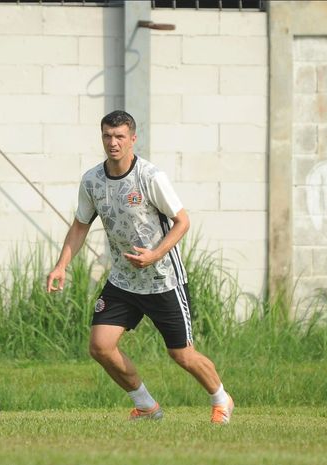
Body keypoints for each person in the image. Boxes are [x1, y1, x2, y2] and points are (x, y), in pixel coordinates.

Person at [46, 110, 234, 423]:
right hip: (123, 281)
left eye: (119, 136)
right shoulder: (92, 181)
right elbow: (80, 226)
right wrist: (61, 265)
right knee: (100, 346)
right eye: (107, 135)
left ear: (133, 138)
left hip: (163, 280)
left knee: (182, 354)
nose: (113, 142)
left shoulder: (150, 177)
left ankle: (221, 399)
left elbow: (182, 221)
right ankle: (147, 406)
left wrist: (155, 254)